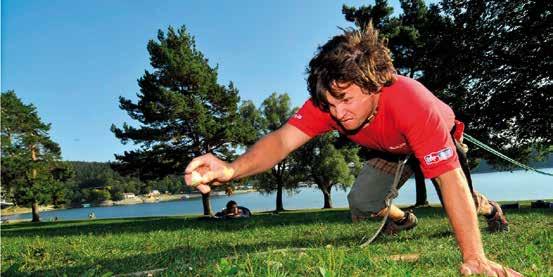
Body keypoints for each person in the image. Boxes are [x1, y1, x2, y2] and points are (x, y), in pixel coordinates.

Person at [185, 24, 520, 276]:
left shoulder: (412, 104)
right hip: (391, 150)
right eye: (330, 104)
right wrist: (230, 169)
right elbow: (282, 140)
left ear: (376, 82)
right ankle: (405, 222)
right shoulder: (330, 100)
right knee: (362, 202)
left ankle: (490, 209)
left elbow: (449, 180)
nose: (337, 114)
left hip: (437, 140)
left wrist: (474, 258)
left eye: (345, 101)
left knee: (457, 200)